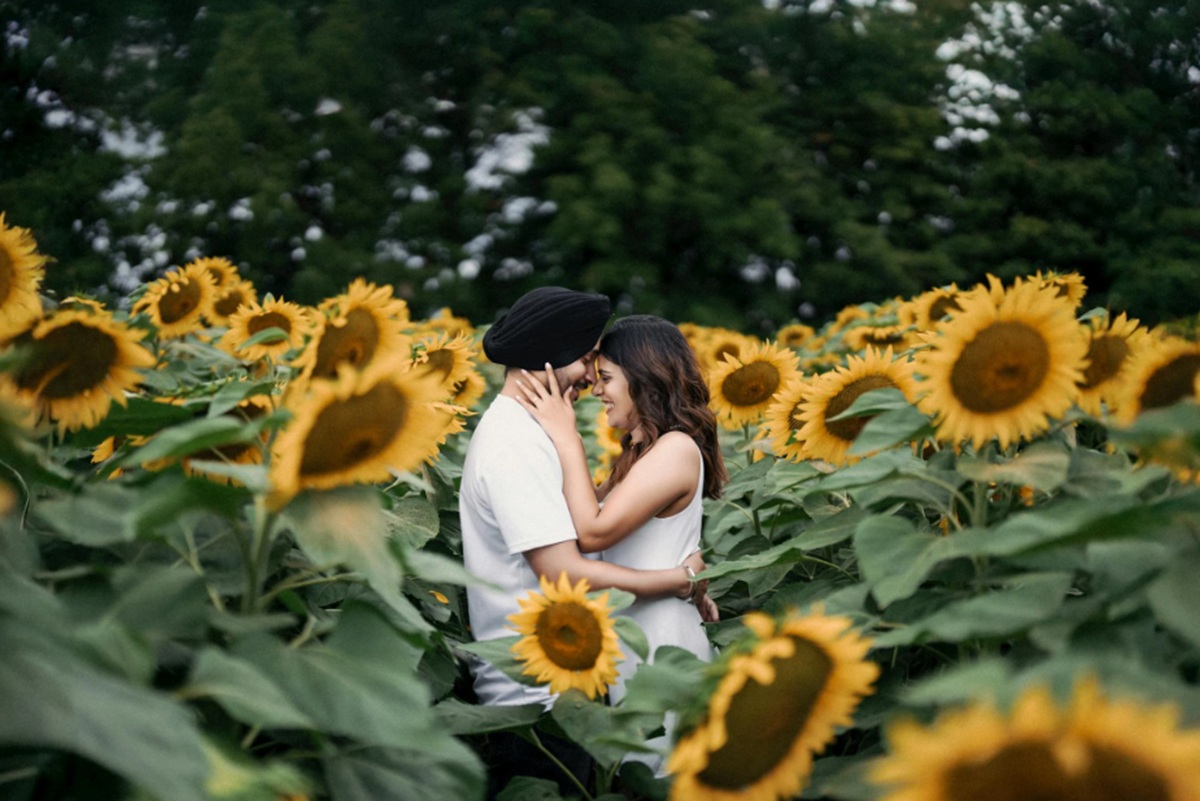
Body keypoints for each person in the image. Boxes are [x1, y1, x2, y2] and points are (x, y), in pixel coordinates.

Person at [459, 289, 708, 796]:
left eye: (604, 367)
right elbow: (570, 566)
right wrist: (680, 579)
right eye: (588, 358)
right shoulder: (515, 445)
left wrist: (688, 574)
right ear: (552, 360)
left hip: (579, 680)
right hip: (537, 694)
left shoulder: (538, 438)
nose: (592, 376)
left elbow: (590, 531)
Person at [513, 314, 727, 774]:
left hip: (662, 641)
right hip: (638, 634)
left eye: (607, 378)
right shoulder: (642, 453)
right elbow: (580, 528)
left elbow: (592, 532)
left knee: (662, 771)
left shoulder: (675, 448)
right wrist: (689, 578)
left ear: (645, 377)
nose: (596, 390)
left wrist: (565, 433)